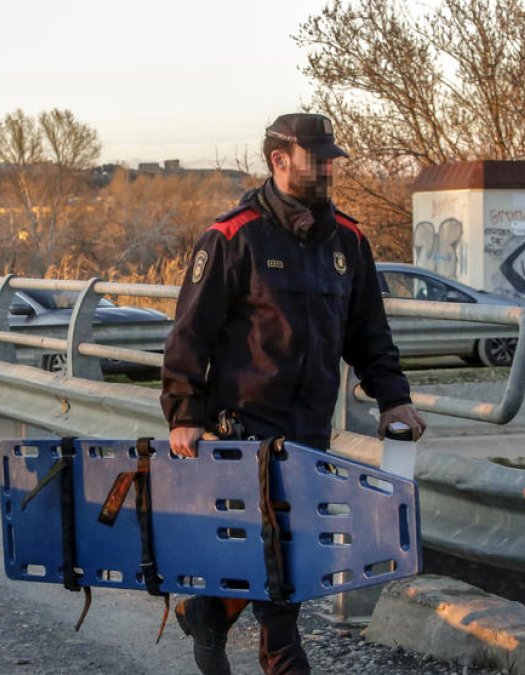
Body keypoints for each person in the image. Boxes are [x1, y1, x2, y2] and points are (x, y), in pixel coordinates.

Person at [160, 114, 426, 675]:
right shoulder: (233, 237)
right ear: (280, 161)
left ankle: (208, 613)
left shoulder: (347, 240)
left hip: (309, 432)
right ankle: (281, 657)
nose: (330, 167)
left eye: (332, 157)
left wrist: (393, 398)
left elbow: (369, 333)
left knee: (285, 552)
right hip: (244, 429)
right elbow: (190, 331)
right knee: (280, 560)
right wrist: (184, 413)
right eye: (318, 158)